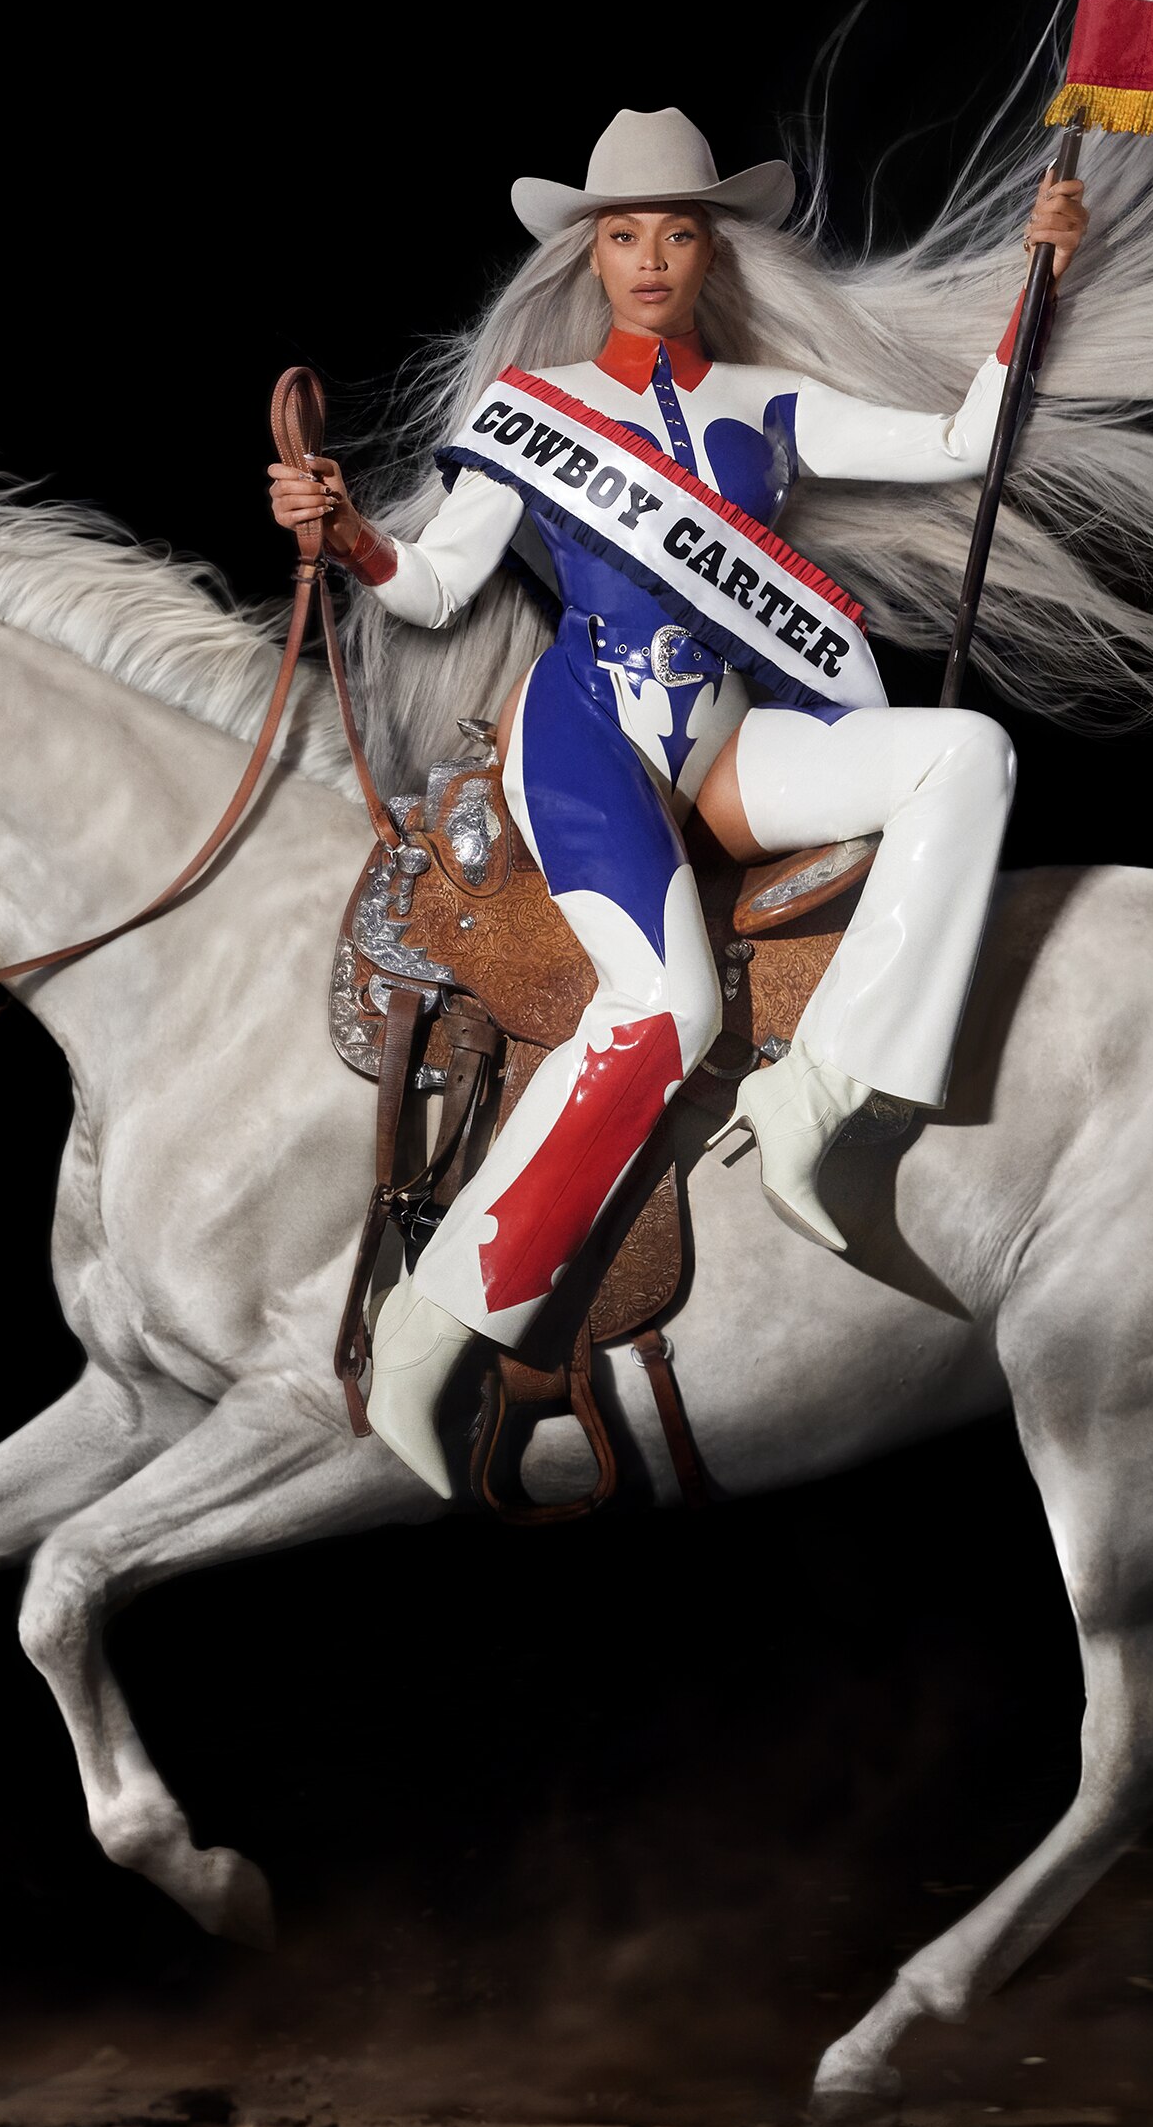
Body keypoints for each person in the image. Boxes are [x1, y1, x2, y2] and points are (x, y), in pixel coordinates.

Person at [269, 107, 1082, 1497]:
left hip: (723, 743)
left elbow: (963, 440)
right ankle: (437, 1320)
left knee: (966, 756)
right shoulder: (534, 413)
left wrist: (1039, 279)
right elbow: (439, 584)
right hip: (585, 736)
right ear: (595, 255)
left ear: (710, 249)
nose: (652, 257)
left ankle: (834, 1101)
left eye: (679, 232)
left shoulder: (764, 402)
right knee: (668, 1013)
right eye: (627, 234)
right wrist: (343, 533)